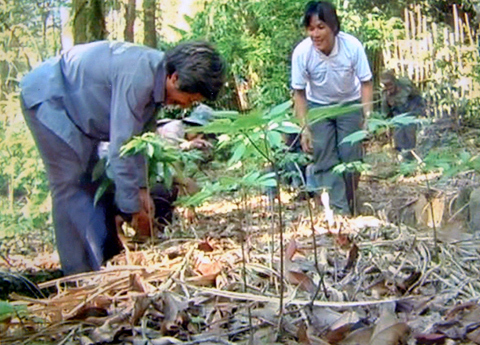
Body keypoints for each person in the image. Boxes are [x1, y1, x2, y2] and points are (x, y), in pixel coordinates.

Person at [20, 41, 225, 275]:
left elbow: (137, 144)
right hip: (50, 99)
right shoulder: (138, 76)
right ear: (175, 77)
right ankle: (81, 278)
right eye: (191, 98)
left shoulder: (155, 78)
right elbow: (122, 147)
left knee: (92, 181)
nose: (188, 106)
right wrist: (135, 210)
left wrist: (141, 189)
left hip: (77, 116)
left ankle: (107, 260)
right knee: (72, 183)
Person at [291, 1, 373, 215]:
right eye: (311, 29)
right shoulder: (302, 53)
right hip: (319, 107)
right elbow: (298, 92)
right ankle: (339, 211)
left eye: (320, 27)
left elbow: (366, 82)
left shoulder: (352, 46)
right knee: (325, 158)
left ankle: (352, 203)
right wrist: (305, 127)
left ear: (333, 27)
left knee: (350, 156)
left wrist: (367, 116)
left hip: (349, 103)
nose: (315, 34)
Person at [380, 70, 424, 160]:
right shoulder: (385, 95)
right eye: (385, 85)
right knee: (398, 135)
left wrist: (418, 111)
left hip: (411, 111)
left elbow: (418, 98)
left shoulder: (406, 86)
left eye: (390, 84)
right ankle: (402, 157)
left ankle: (413, 155)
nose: (388, 87)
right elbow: (385, 114)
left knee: (410, 132)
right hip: (398, 116)